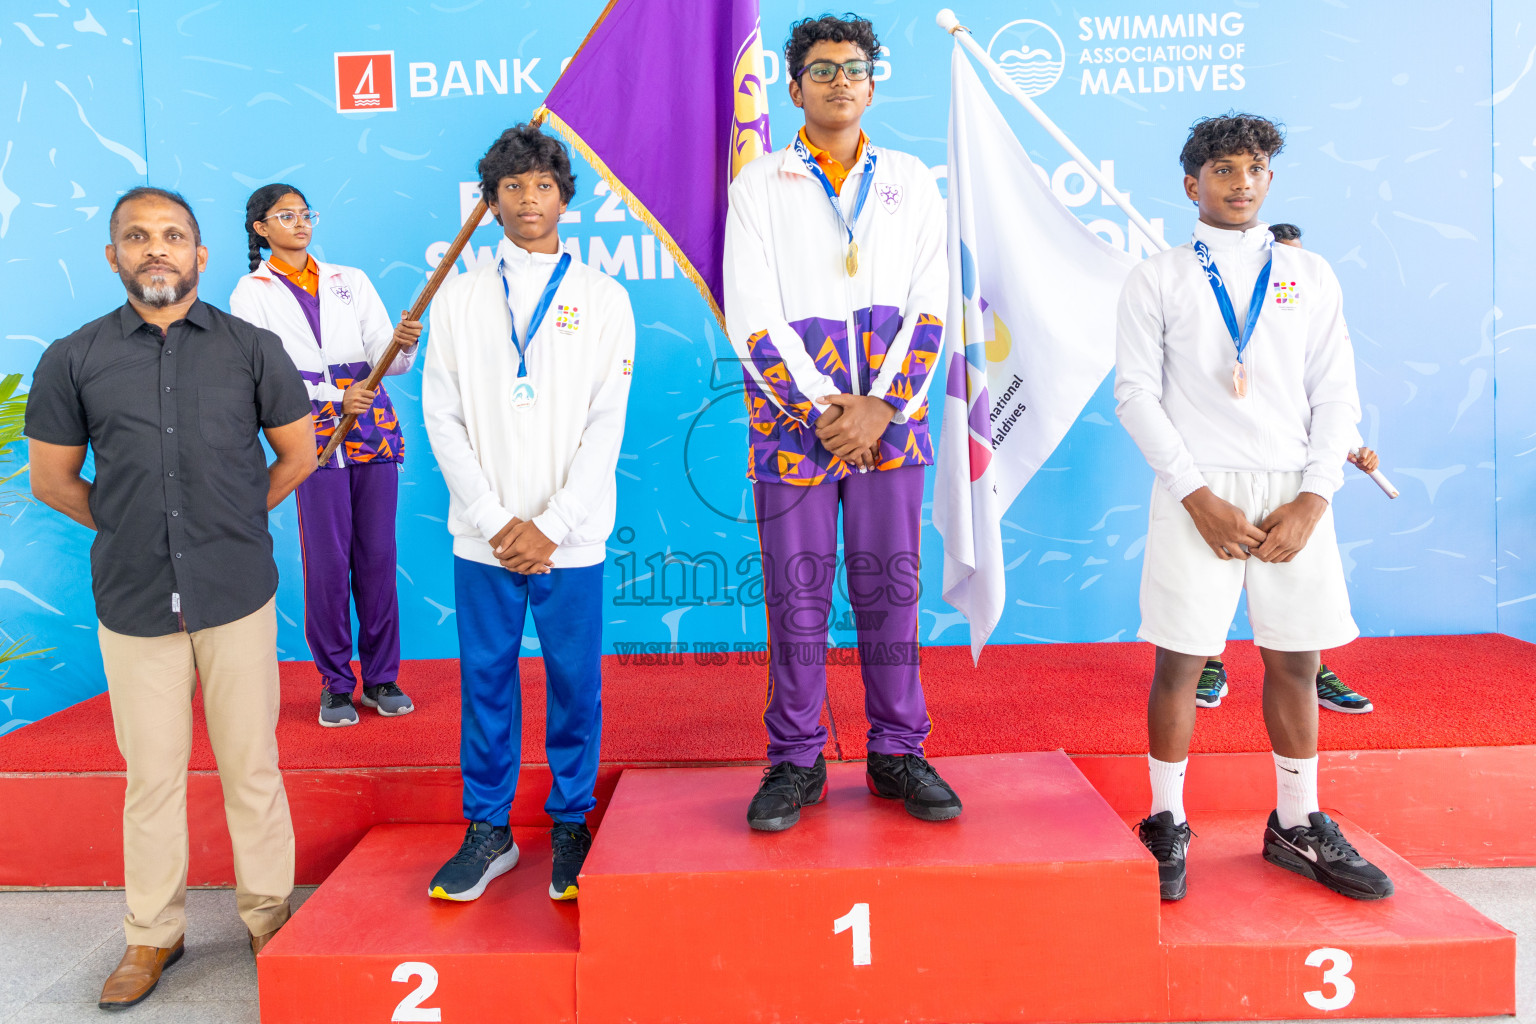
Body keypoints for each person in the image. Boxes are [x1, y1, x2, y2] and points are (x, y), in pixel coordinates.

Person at [25, 187, 314, 1009]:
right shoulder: (72, 358)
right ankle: (154, 934)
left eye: (174, 236)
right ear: (113, 255)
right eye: (138, 237)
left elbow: (296, 455)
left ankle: (267, 916)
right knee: (151, 776)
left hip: (235, 592)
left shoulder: (252, 348)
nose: (158, 249)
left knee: (251, 766)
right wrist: (129, 524)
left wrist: (226, 517)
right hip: (135, 599)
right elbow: (52, 479)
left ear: (202, 256)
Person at [1114, 115, 1393, 902]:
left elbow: (1335, 391)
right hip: (1195, 491)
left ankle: (1297, 824)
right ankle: (1166, 820)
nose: (1241, 182)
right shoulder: (1159, 276)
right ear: (1190, 183)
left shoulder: (1310, 272)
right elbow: (1134, 395)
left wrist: (1314, 496)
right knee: (1179, 662)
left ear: (1271, 179)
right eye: (1224, 168)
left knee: (1296, 663)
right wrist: (1195, 495)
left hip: (1291, 490)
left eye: (1255, 168)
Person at [724, 14, 957, 832]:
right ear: (794, 88)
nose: (839, 81)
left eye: (854, 68)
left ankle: (897, 749)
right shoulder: (758, 186)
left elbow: (935, 299)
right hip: (796, 429)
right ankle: (795, 760)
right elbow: (751, 313)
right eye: (821, 70)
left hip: (893, 424)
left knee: (891, 592)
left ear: (872, 82)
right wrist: (828, 410)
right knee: (797, 600)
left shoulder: (911, 179)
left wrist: (884, 408)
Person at [422, 125, 634, 903]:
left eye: (542, 185)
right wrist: (490, 516)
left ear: (565, 198)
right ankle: (489, 830)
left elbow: (606, 422)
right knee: (486, 684)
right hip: (483, 540)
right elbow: (441, 418)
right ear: (490, 202)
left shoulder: (603, 298)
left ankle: (571, 819)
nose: (528, 199)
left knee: (575, 683)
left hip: (570, 539)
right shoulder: (460, 298)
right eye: (511, 187)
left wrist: (552, 523)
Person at [230, 184, 422, 728]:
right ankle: (337, 684)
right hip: (307, 431)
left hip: (372, 426)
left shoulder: (350, 280)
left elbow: (391, 362)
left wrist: (405, 342)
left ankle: (382, 677)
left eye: (304, 213)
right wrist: (336, 396)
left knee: (378, 559)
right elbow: (266, 371)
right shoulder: (251, 292)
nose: (299, 222)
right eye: (284, 215)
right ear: (260, 228)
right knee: (329, 563)